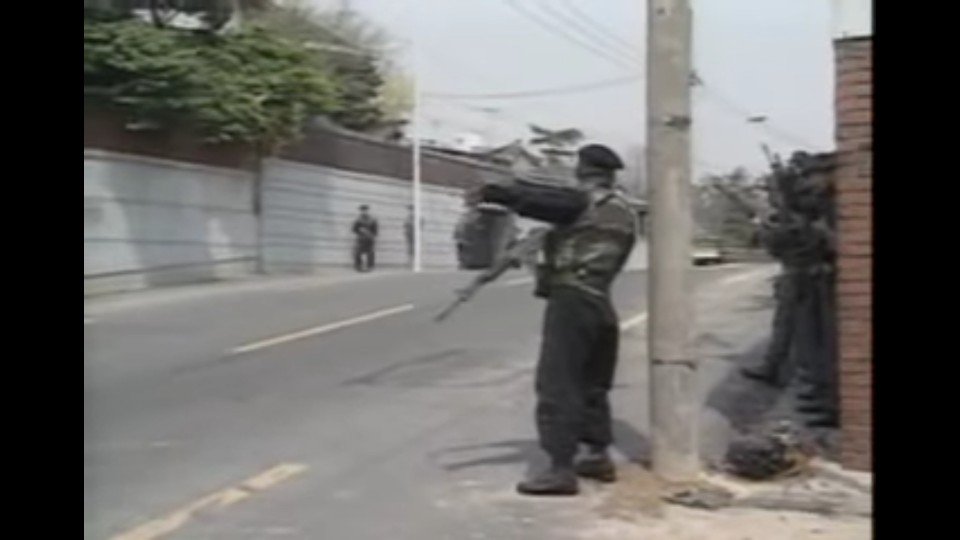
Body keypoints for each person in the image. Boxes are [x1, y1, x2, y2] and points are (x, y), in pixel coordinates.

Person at [479, 144, 638, 496]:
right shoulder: (624, 211)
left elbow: (542, 202)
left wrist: (497, 192)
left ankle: (560, 469)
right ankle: (597, 454)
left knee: (558, 383)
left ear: (584, 171)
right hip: (600, 300)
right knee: (593, 384)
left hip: (571, 301)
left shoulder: (582, 203)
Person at [352, 205, 378, 272]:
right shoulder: (358, 220)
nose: (364, 212)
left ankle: (370, 266)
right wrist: (360, 230)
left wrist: (370, 233)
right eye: (362, 211)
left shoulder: (372, 220)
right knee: (357, 252)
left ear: (367, 211)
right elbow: (354, 229)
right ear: (361, 211)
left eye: (365, 210)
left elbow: (375, 231)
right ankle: (358, 266)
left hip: (369, 240)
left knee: (371, 253)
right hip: (360, 239)